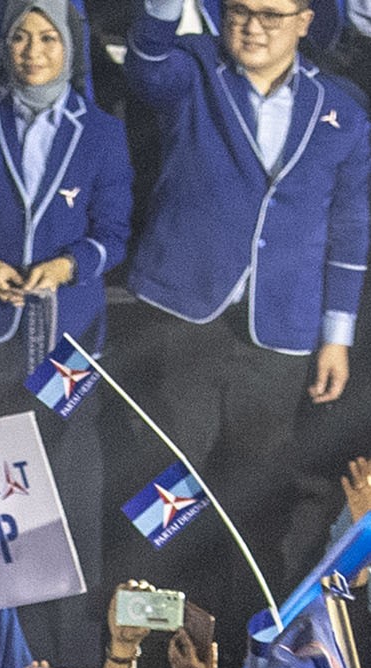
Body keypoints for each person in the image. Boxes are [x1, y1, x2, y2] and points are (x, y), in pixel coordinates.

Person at [118, 0, 369, 604]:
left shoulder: (341, 107)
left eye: (272, 14)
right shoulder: (195, 70)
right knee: (165, 481)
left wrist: (336, 335)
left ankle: (239, 641)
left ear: (307, 21)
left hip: (280, 331)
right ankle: (144, 633)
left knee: (257, 494)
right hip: (181, 316)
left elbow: (350, 227)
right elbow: (147, 63)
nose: (253, 25)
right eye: (238, 11)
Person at [0, 0, 130, 646]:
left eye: (47, 37)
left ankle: (67, 649)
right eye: (20, 36)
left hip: (67, 340)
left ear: (71, 46)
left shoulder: (100, 131)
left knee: (65, 493)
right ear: (4, 46)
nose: (34, 50)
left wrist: (67, 268)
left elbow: (115, 236)